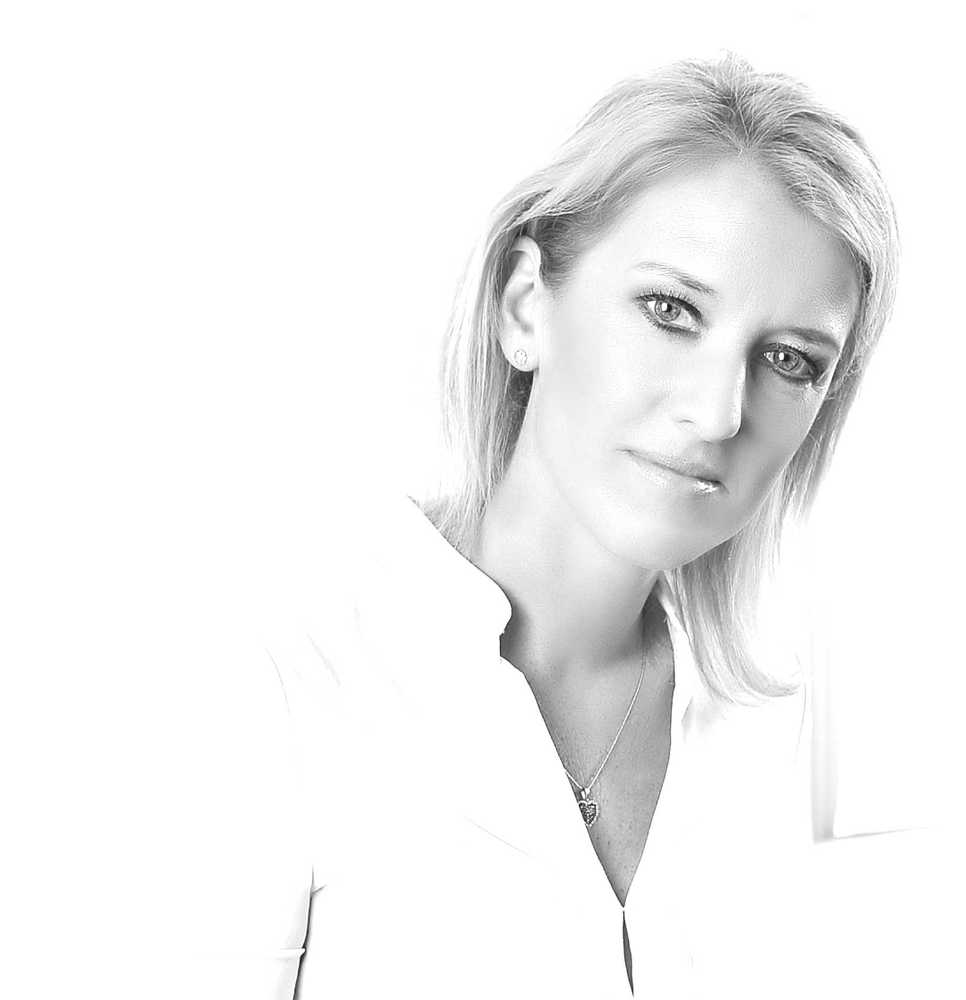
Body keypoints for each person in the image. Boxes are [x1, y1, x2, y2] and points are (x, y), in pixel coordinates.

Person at [186, 52, 899, 999]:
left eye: (790, 360)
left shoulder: (784, 717)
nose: (719, 411)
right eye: (670, 310)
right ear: (526, 306)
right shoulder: (278, 677)